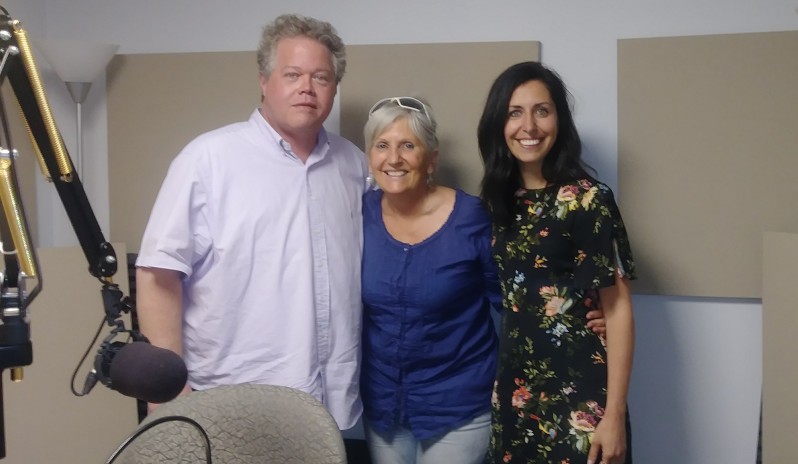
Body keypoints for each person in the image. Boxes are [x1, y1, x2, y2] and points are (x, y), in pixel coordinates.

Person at [134, 13, 367, 430]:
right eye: (292, 74)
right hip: (232, 400)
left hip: (333, 401)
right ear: (264, 80)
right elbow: (157, 274)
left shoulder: (354, 165)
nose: (306, 89)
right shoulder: (208, 161)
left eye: (321, 77)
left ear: (334, 87)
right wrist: (166, 390)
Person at [478, 61, 636, 464]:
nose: (528, 126)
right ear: (499, 123)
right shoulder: (499, 204)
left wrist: (614, 415)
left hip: (583, 398)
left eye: (541, 111)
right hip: (515, 394)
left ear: (559, 121)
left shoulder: (588, 200)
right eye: (515, 112)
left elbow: (617, 312)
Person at [359, 96, 500, 463]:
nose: (394, 159)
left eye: (408, 145)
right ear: (370, 156)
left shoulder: (472, 218)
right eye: (382, 146)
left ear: (432, 158)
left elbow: (513, 301)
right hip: (384, 407)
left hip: (458, 405)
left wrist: (576, 317)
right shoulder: (358, 215)